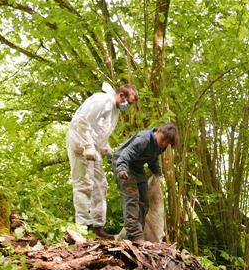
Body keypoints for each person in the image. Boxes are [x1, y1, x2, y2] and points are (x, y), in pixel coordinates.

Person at [66, 82, 137, 239]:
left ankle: (98, 227)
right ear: (121, 95)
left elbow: (100, 131)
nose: (128, 106)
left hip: (93, 148)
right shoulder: (102, 100)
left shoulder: (114, 111)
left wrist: (106, 148)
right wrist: (87, 145)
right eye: (128, 103)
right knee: (83, 184)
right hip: (79, 143)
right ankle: (83, 226)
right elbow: (82, 120)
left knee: (100, 184)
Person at [113, 123, 178, 242]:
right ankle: (135, 235)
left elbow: (153, 159)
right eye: (163, 140)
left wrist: (157, 173)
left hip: (137, 168)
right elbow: (125, 154)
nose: (163, 144)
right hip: (122, 164)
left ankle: (136, 232)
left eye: (167, 143)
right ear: (158, 132)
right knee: (132, 198)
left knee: (144, 200)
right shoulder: (144, 140)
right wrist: (121, 169)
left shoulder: (161, 147)